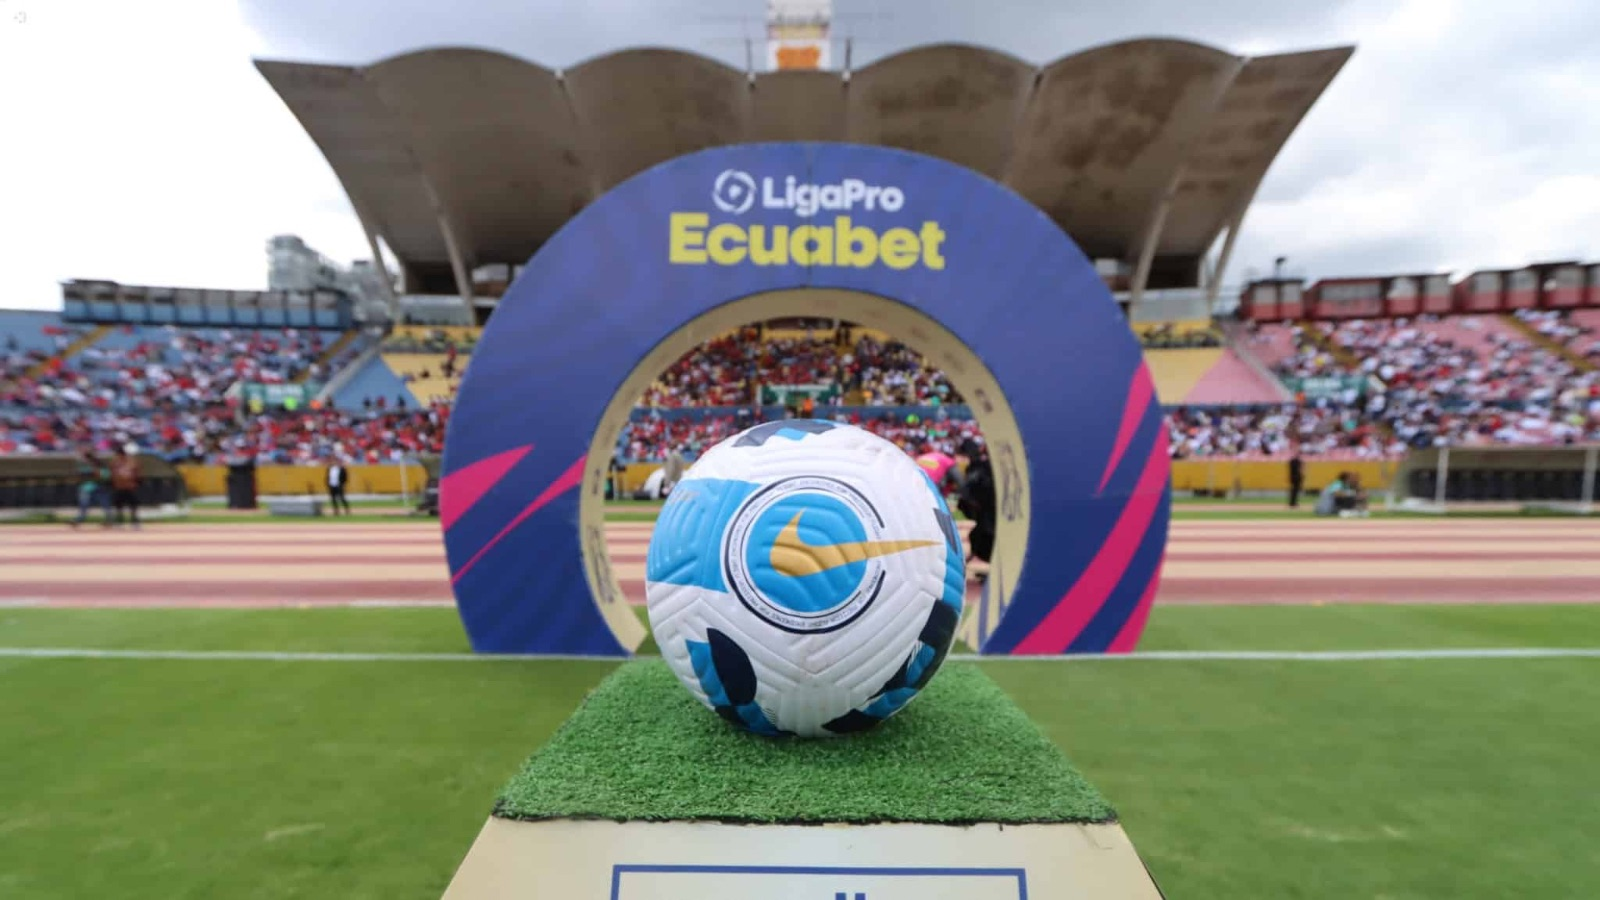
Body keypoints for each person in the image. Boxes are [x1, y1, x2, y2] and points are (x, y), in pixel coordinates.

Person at [954, 439, 995, 578]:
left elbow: (967, 490)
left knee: (983, 538)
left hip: (988, 511)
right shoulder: (982, 467)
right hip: (987, 510)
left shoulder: (980, 468)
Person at [71, 448, 112, 529]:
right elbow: (79, 476)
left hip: (99, 487)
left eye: (89, 457)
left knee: (105, 504)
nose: (87, 460)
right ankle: (78, 520)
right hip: (86, 488)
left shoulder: (100, 464)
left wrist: (97, 473)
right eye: (86, 457)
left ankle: (109, 520)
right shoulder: (82, 465)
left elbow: (106, 475)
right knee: (84, 505)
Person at [110, 444, 142, 529]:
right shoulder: (115, 462)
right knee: (119, 505)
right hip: (119, 487)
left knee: (133, 505)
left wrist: (136, 482)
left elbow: (136, 473)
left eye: (121, 454)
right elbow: (113, 474)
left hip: (130, 486)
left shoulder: (132, 462)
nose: (120, 456)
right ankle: (120, 521)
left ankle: (134, 521)